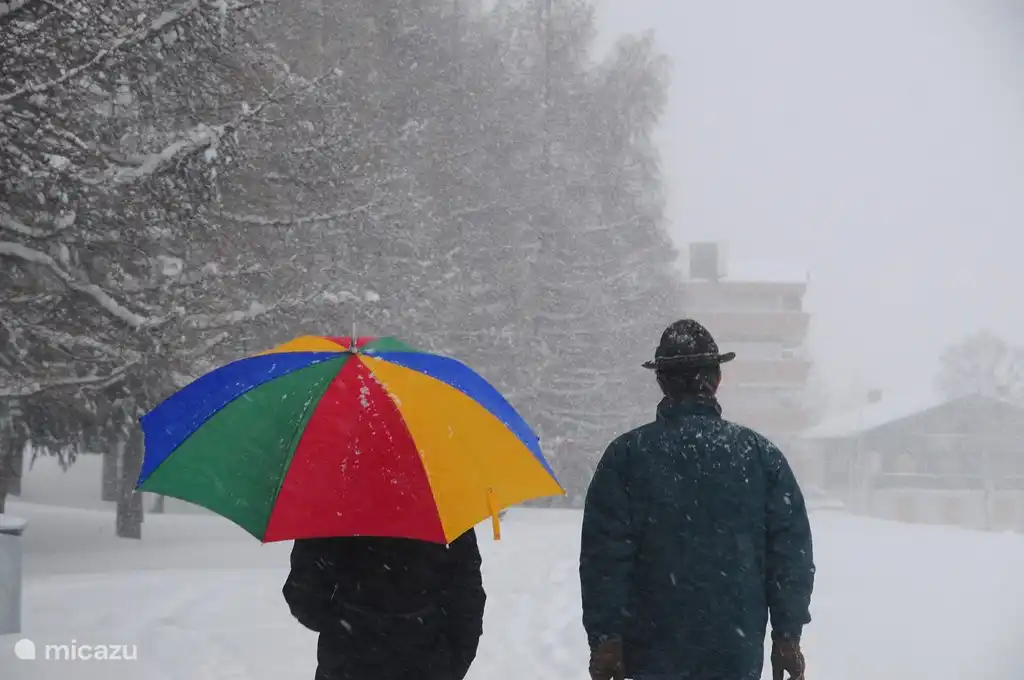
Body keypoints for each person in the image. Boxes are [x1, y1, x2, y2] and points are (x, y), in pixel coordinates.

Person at [579, 319, 815, 680]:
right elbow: (789, 553)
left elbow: (604, 558)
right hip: (734, 651)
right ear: (717, 379)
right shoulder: (759, 456)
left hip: (650, 651)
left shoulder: (626, 457)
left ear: (660, 381)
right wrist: (787, 635)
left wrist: (606, 638)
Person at [283, 529, 486, 680]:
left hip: (348, 665)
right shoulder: (443, 502)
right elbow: (467, 596)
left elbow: (303, 594)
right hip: (425, 663)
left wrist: (344, 625)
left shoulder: (334, 502)